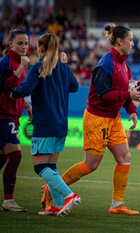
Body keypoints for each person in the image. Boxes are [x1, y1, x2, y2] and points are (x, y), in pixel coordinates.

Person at [40, 23, 140, 215]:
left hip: (112, 119)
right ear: (120, 41)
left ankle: (117, 205)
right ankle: (52, 187)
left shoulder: (124, 65)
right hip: (96, 118)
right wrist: (129, 96)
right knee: (91, 165)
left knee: (125, 158)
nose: (133, 43)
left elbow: (122, 94)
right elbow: (104, 94)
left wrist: (131, 109)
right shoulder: (106, 63)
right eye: (130, 39)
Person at [12, 33, 80, 216]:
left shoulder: (37, 68)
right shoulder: (63, 68)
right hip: (61, 124)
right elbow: (74, 87)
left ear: (40, 49)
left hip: (44, 124)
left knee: (39, 166)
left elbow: (24, 89)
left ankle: (69, 195)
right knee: (51, 167)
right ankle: (57, 204)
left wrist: (11, 92)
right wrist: (65, 65)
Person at [0, 28, 31, 212]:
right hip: (3, 116)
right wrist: (20, 69)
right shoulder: (5, 62)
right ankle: (9, 201)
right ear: (10, 44)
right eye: (19, 43)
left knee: (3, 157)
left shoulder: (20, 63)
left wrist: (26, 105)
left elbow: (16, 91)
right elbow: (5, 86)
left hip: (12, 115)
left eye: (26, 43)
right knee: (16, 155)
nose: (23, 46)